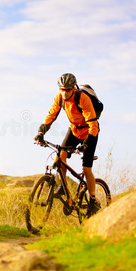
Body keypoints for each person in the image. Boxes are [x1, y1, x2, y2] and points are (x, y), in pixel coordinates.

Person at [34, 73, 101, 215]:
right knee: (60, 156)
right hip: (74, 130)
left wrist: (85, 145)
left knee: (86, 168)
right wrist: (41, 132)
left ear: (73, 88)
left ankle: (93, 199)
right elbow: (51, 116)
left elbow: (93, 125)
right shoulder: (59, 98)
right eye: (62, 89)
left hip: (90, 132)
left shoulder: (82, 98)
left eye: (68, 89)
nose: (65, 92)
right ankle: (64, 189)